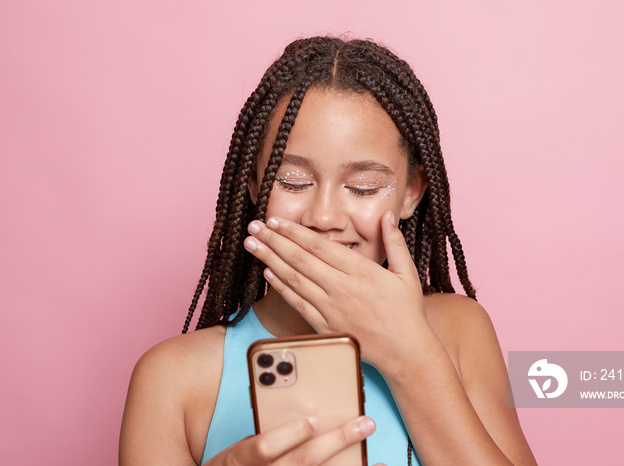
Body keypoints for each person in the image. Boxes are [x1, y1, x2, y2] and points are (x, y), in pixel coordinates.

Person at [119, 36, 537, 466]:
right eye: (293, 181)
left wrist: (410, 353)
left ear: (412, 192)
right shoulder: (172, 380)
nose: (323, 217)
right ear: (254, 185)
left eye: (363, 187)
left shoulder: (457, 331)